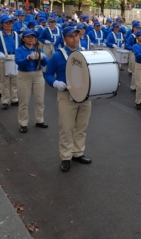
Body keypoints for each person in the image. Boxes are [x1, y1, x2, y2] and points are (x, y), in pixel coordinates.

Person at [44, 26, 93, 173]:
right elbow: (48, 74)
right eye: (71, 36)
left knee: (82, 126)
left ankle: (78, 152)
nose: (75, 38)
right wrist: (55, 83)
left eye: (76, 35)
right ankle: (66, 157)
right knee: (66, 127)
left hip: (84, 95)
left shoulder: (84, 53)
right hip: (66, 96)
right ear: (64, 39)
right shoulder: (58, 56)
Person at [15, 30, 49, 133]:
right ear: (23, 38)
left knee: (39, 100)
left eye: (33, 37)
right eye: (28, 37)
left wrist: (43, 58)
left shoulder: (39, 49)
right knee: (24, 101)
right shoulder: (20, 49)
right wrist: (28, 58)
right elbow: (19, 62)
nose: (31, 38)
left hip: (38, 74)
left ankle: (40, 120)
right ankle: (23, 122)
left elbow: (45, 63)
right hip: (24, 75)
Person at [0, 15, 20, 110]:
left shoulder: (16, 35)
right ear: (2, 25)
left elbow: (20, 46)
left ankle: (14, 98)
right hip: (4, 59)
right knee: (5, 81)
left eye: (10, 23)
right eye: (6, 23)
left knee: (15, 81)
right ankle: (5, 100)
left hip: (14, 58)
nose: (9, 25)